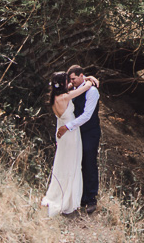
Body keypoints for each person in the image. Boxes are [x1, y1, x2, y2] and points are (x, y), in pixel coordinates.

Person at [41, 70, 97, 217]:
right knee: (73, 163)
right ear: (63, 83)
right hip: (70, 133)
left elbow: (73, 86)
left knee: (62, 163)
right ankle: (69, 199)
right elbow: (86, 87)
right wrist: (89, 79)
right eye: (68, 81)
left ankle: (61, 192)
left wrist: (83, 77)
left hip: (61, 134)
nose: (70, 83)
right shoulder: (66, 97)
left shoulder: (55, 97)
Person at [57, 65, 101, 214]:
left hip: (90, 132)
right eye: (70, 80)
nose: (71, 82)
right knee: (77, 161)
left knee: (89, 161)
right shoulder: (74, 89)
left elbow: (87, 115)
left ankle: (91, 198)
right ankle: (80, 196)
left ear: (81, 75)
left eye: (73, 79)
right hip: (77, 132)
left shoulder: (92, 91)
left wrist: (67, 127)